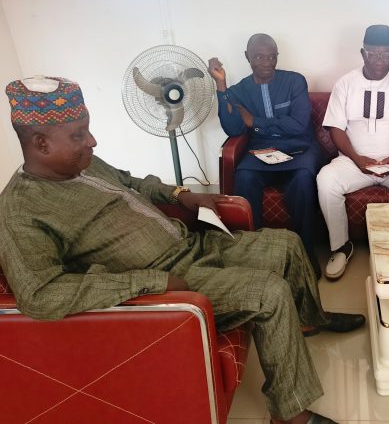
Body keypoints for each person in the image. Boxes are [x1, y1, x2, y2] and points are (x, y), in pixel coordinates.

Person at [0, 76, 365, 424]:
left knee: (287, 243)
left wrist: (179, 194)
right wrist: (150, 282)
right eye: (79, 134)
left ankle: (308, 319)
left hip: (192, 244)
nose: (92, 141)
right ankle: (289, 413)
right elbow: (40, 294)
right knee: (270, 292)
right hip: (171, 280)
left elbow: (132, 182)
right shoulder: (22, 210)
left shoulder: (83, 164)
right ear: (41, 143)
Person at [317, 25, 389, 280]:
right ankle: (340, 247)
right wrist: (358, 159)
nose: (380, 60)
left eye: (386, 54)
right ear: (363, 53)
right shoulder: (346, 83)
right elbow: (336, 129)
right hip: (353, 162)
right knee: (326, 180)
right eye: (374, 54)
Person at [209, 34, 323, 277]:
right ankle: (255, 253)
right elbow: (233, 128)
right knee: (244, 176)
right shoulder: (239, 90)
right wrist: (221, 86)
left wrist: (256, 122)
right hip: (259, 151)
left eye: (272, 57)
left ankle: (305, 254)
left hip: (299, 149)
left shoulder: (294, 81)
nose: (266, 63)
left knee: (303, 178)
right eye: (259, 57)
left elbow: (299, 125)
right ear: (247, 57)